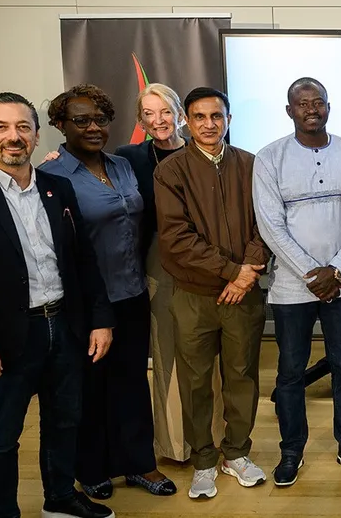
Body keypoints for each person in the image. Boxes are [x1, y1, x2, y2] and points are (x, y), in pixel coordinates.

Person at [0, 92, 116, 518]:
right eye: (1, 127)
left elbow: (83, 260)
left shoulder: (58, 188)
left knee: (64, 420)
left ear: (34, 135)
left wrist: (100, 320)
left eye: (22, 127)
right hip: (5, 337)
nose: (13, 136)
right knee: (1, 434)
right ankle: (3, 512)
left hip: (64, 327)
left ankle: (60, 498)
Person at [39, 84, 175, 498]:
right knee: (90, 386)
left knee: (131, 381)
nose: (93, 127)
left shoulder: (122, 165)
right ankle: (92, 468)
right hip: (85, 302)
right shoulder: (51, 176)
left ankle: (138, 464)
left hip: (131, 291)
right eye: (81, 120)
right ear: (60, 124)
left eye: (100, 119)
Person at [254, 78, 341, 487]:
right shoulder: (269, 158)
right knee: (291, 372)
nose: (311, 109)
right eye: (302, 103)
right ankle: (291, 450)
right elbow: (270, 226)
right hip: (293, 289)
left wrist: (337, 269)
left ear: (329, 107)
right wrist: (313, 273)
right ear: (289, 110)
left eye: (318, 102)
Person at [153, 86, 270, 499]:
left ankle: (236, 453)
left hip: (244, 295)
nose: (208, 124)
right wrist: (231, 272)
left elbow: (267, 224)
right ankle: (203, 459)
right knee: (196, 381)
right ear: (186, 121)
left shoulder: (252, 165)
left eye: (216, 116)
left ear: (228, 119)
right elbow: (176, 238)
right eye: (199, 117)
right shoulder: (171, 171)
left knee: (242, 376)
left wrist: (245, 275)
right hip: (194, 295)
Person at [114, 83, 229, 464]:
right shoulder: (127, 158)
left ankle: (214, 437)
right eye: (149, 114)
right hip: (157, 263)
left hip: (208, 262)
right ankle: (173, 445)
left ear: (180, 115)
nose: (158, 120)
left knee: (208, 353)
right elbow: (90, 174)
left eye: (165, 111)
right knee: (165, 353)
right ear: (140, 121)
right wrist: (56, 158)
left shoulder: (208, 152)